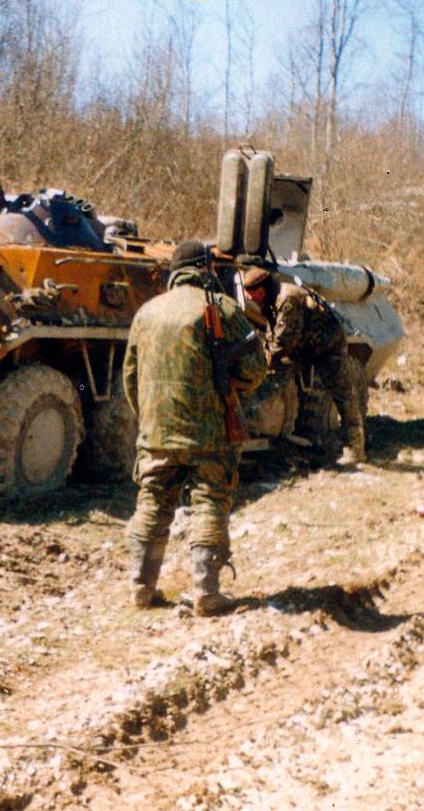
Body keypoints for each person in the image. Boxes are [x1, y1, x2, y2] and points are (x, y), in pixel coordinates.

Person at [124, 240, 267, 616]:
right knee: (209, 503)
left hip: (156, 432)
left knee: (152, 503)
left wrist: (150, 419)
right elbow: (255, 368)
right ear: (205, 268)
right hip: (209, 434)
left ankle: (141, 588)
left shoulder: (146, 312)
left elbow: (130, 377)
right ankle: (206, 592)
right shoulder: (221, 307)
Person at [245, 267, 367, 466]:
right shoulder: (268, 300)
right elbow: (272, 334)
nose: (248, 296)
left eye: (251, 291)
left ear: (262, 288)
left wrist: (265, 359)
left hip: (327, 345)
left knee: (342, 393)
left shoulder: (288, 298)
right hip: (301, 346)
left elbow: (283, 341)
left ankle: (355, 449)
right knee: (270, 381)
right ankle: (252, 428)